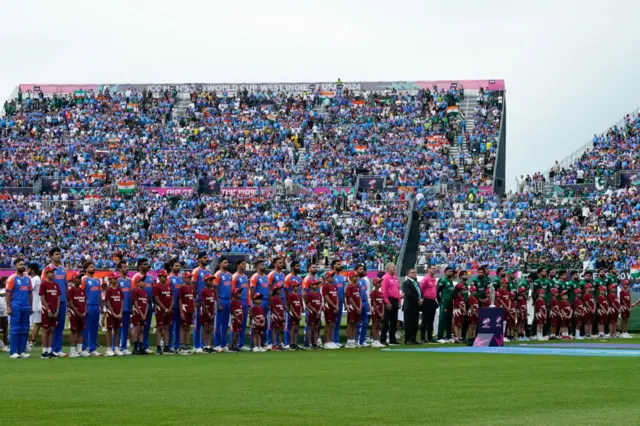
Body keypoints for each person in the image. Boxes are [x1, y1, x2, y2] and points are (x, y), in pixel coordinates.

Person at [6, 258, 33, 358]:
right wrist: (8, 307)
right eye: (20, 264)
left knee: (25, 329)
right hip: (16, 306)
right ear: (15, 266)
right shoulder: (12, 278)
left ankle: (21, 351)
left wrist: (30, 306)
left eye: (23, 264)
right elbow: (8, 294)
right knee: (15, 329)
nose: (22, 266)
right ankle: (13, 352)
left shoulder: (27, 279)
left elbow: (30, 294)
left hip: (26, 306)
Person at [45, 248, 68, 358]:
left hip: (62, 301)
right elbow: (43, 286)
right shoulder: (47, 269)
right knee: (51, 327)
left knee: (60, 326)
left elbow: (66, 285)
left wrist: (67, 299)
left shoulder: (63, 270)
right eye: (56, 254)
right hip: (51, 302)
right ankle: (51, 349)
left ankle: (58, 349)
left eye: (59, 254)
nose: (59, 256)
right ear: (51, 256)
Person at [131, 258, 155, 354]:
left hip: (148, 304)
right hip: (138, 306)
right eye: (145, 264)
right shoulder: (135, 277)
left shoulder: (150, 277)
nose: (147, 266)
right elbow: (134, 292)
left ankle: (145, 346)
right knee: (137, 327)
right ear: (140, 265)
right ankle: (135, 346)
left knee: (146, 326)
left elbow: (153, 291)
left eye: (148, 264)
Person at [81, 261, 102, 356]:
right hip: (88, 305)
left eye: (93, 266)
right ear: (86, 269)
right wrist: (83, 306)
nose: (93, 268)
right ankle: (83, 348)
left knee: (95, 328)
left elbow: (99, 294)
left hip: (96, 305)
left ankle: (92, 348)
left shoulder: (97, 280)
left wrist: (101, 305)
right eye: (90, 266)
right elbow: (81, 293)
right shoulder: (84, 279)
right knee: (86, 328)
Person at [39, 265, 60, 359]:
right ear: (46, 273)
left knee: (51, 330)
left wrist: (57, 310)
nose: (53, 274)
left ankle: (50, 350)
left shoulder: (56, 285)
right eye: (51, 272)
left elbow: (58, 298)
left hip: (55, 310)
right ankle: (44, 352)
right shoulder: (43, 284)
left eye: (53, 272)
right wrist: (48, 310)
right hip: (46, 310)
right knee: (45, 330)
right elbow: (42, 299)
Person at [192, 252, 210, 353]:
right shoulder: (196, 271)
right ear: (199, 259)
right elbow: (193, 286)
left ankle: (205, 345)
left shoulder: (208, 271)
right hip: (199, 301)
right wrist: (194, 299)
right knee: (197, 324)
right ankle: (196, 345)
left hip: (208, 302)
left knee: (206, 324)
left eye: (207, 257)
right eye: (204, 258)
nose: (207, 259)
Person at [213, 257, 233, 352]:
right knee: (218, 324)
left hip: (228, 300)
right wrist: (218, 302)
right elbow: (215, 289)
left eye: (227, 262)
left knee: (225, 324)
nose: (227, 264)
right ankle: (217, 344)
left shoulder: (229, 275)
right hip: (220, 299)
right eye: (225, 262)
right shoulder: (217, 274)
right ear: (220, 263)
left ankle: (224, 344)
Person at [153, 269, 174, 355]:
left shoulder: (168, 287)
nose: (165, 278)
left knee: (167, 328)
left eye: (166, 276)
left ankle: (166, 346)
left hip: (168, 310)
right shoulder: (157, 286)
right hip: (160, 310)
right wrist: (165, 309)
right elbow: (156, 299)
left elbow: (172, 298)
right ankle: (158, 347)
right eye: (164, 276)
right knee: (159, 328)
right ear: (159, 276)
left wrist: (170, 308)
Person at [67, 272, 88, 357]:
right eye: (78, 278)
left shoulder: (82, 290)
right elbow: (70, 303)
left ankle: (79, 350)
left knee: (80, 332)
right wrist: (77, 312)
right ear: (73, 279)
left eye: (80, 278)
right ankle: (72, 350)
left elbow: (85, 301)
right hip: (74, 313)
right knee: (73, 331)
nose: (80, 280)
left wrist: (85, 311)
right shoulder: (71, 290)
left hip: (82, 314)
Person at [250, 260, 269, 348]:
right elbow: (252, 290)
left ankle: (262, 343)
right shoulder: (255, 277)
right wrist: (253, 301)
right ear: (257, 267)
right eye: (262, 265)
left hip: (265, 301)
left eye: (264, 265)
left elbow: (268, 290)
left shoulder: (266, 277)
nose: (263, 266)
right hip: (257, 302)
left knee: (263, 322)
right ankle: (253, 345)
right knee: (255, 323)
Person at [232, 260, 250, 351]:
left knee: (243, 323)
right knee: (235, 323)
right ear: (238, 265)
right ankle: (233, 344)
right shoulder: (235, 276)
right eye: (243, 264)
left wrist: (249, 303)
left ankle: (241, 344)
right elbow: (232, 291)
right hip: (237, 302)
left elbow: (247, 291)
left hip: (245, 301)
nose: (245, 265)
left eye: (245, 264)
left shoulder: (246, 277)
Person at [267, 257, 286, 349]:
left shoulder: (283, 274)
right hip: (274, 301)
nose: (281, 264)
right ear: (274, 264)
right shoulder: (271, 274)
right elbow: (269, 289)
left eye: (282, 263)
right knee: (273, 324)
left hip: (281, 300)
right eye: (279, 263)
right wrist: (270, 302)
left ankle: (279, 343)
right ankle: (271, 343)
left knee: (281, 325)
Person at [284, 261, 303, 349]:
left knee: (296, 326)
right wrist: (287, 304)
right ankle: (288, 343)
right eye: (297, 266)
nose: (299, 267)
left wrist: (301, 306)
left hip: (297, 303)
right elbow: (286, 291)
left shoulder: (299, 277)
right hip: (291, 303)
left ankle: (295, 343)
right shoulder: (288, 277)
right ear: (292, 267)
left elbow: (300, 292)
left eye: (299, 266)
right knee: (290, 325)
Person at [380, 263, 400, 346]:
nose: (395, 268)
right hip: (389, 300)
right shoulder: (385, 278)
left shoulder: (395, 277)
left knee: (394, 321)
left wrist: (399, 301)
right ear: (388, 268)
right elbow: (384, 291)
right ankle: (383, 339)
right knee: (386, 320)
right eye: (393, 267)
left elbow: (398, 290)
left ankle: (392, 339)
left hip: (395, 300)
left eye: (395, 267)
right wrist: (387, 302)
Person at [105, 272, 124, 356]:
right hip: (111, 313)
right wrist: (113, 313)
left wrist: (120, 312)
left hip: (118, 313)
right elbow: (108, 302)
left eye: (117, 278)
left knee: (117, 330)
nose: (116, 280)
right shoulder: (108, 290)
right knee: (109, 330)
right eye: (115, 278)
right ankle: (108, 349)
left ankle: (116, 348)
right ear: (110, 279)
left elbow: (122, 301)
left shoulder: (119, 290)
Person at [401, 268, 422, 345]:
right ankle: (407, 339)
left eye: (415, 272)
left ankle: (413, 338)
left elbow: (419, 292)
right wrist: (417, 300)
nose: (414, 273)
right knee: (408, 323)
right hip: (409, 305)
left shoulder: (416, 283)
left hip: (416, 305)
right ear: (408, 274)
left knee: (415, 323)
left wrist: (421, 299)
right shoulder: (406, 283)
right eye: (412, 272)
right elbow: (408, 293)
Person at [178, 271, 196, 355]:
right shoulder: (181, 288)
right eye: (188, 277)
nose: (190, 278)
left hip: (190, 310)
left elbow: (192, 299)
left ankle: (187, 345)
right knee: (183, 327)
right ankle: (181, 346)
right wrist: (181, 312)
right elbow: (180, 300)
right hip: (184, 310)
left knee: (188, 328)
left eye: (190, 277)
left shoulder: (191, 288)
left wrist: (194, 310)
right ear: (184, 278)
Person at [117, 261, 133, 355]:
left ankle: (123, 347)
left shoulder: (129, 280)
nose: (126, 268)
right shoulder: (118, 280)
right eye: (124, 267)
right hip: (119, 308)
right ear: (120, 269)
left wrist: (131, 306)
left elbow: (130, 294)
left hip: (127, 308)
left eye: (126, 267)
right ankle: (115, 346)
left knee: (126, 328)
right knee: (118, 328)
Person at [419, 266, 438, 344]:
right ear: (428, 269)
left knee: (431, 320)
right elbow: (420, 290)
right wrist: (422, 299)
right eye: (432, 268)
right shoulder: (425, 279)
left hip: (433, 300)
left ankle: (430, 337)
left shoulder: (434, 279)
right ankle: (423, 338)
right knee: (425, 320)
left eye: (435, 268)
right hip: (426, 300)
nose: (434, 269)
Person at [132, 272, 149, 355]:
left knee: (142, 330)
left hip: (143, 313)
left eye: (144, 281)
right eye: (142, 281)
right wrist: (141, 313)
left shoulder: (145, 292)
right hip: (137, 313)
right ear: (138, 282)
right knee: (137, 329)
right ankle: (135, 348)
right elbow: (135, 303)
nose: (144, 282)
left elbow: (146, 304)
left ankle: (141, 347)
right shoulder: (135, 291)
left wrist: (145, 314)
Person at [436, 267, 456, 343]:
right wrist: (439, 301)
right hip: (444, 302)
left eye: (451, 271)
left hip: (450, 302)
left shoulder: (450, 281)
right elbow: (437, 291)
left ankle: (448, 336)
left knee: (449, 319)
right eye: (449, 271)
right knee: (442, 319)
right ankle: (440, 337)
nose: (451, 273)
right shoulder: (443, 280)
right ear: (445, 272)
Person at [168, 260, 184, 352]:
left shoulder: (180, 279)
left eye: (179, 266)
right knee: (170, 326)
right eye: (176, 266)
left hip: (180, 306)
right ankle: (169, 345)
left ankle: (177, 346)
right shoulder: (169, 278)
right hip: (172, 306)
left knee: (178, 327)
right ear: (171, 267)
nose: (178, 267)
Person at [330, 260, 346, 347]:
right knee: (332, 322)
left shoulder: (342, 277)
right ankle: (331, 340)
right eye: (338, 264)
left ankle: (336, 340)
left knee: (338, 322)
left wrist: (344, 302)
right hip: (333, 303)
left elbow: (342, 290)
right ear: (333, 266)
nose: (340, 265)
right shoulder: (331, 276)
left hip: (340, 302)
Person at [322, 271, 339, 349]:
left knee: (333, 324)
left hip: (334, 307)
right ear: (327, 278)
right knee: (328, 325)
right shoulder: (325, 286)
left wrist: (337, 306)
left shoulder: (334, 286)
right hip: (328, 307)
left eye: (333, 277)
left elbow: (337, 296)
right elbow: (326, 297)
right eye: (331, 277)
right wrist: (334, 306)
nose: (332, 278)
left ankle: (331, 341)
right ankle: (327, 342)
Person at [345, 272, 362, 348]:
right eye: (355, 276)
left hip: (358, 307)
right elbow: (350, 298)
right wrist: (356, 307)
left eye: (357, 276)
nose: (356, 277)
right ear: (351, 278)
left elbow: (360, 297)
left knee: (355, 323)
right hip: (352, 307)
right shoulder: (349, 287)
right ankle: (349, 341)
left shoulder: (357, 286)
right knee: (350, 323)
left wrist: (360, 307)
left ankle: (353, 340)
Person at [305, 278, 323, 350]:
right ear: (311, 285)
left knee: (316, 328)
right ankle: (309, 344)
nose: (315, 286)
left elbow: (321, 303)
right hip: (312, 313)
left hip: (318, 313)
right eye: (314, 284)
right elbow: (308, 304)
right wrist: (316, 311)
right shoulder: (309, 294)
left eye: (316, 284)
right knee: (310, 328)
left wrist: (320, 311)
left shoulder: (319, 294)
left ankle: (315, 344)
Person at [355, 264, 370, 347]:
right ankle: (356, 340)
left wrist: (367, 303)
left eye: (363, 269)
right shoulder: (355, 281)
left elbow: (366, 293)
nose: (362, 271)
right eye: (360, 269)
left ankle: (362, 340)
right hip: (358, 303)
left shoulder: (364, 281)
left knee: (366, 322)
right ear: (356, 270)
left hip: (364, 302)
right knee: (358, 322)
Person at [200, 274, 216, 353]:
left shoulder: (212, 291)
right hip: (205, 312)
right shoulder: (203, 291)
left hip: (211, 312)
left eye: (212, 280)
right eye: (210, 280)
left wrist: (213, 313)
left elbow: (213, 303)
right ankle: (204, 345)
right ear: (205, 282)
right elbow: (202, 303)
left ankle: (209, 345)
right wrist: (208, 313)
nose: (212, 281)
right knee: (205, 328)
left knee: (210, 329)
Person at [28, 262, 42, 351]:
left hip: (35, 304)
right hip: (35, 304)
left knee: (36, 323)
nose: (27, 270)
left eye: (28, 268)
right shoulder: (36, 278)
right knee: (37, 323)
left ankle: (32, 341)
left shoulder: (35, 279)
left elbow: (28, 289)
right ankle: (32, 341)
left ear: (32, 270)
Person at [369, 274, 385, 348]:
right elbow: (374, 303)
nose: (380, 284)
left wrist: (382, 312)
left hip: (380, 311)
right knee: (374, 325)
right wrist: (379, 312)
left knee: (378, 326)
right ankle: (374, 340)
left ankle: (377, 340)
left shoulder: (381, 293)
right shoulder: (373, 293)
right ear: (375, 284)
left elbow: (382, 303)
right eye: (378, 282)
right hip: (375, 311)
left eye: (380, 282)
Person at [287, 279, 303, 350]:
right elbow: (291, 306)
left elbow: (300, 305)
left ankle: (295, 343)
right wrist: (295, 314)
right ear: (293, 287)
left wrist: (300, 314)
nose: (298, 287)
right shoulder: (291, 295)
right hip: (293, 315)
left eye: (298, 286)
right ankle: (291, 344)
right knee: (293, 329)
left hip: (298, 314)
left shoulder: (299, 296)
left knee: (296, 329)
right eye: (296, 286)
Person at [270, 283, 285, 350]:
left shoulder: (279, 298)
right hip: (276, 316)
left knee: (280, 330)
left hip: (280, 316)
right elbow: (273, 308)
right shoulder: (273, 298)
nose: (280, 290)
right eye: (278, 289)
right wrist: (278, 316)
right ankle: (274, 345)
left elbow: (281, 308)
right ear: (275, 290)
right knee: (275, 330)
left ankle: (279, 344)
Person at [0, 278, 8, 352]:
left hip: (5, 311)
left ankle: (5, 345)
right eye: (6, 281)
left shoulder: (8, 289)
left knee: (5, 329)